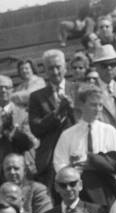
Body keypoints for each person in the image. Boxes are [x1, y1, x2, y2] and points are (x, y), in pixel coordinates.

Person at [28, 49, 79, 183]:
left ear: (65, 68)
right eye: (51, 68)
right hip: (52, 156)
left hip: (78, 151)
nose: (55, 72)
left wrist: (72, 109)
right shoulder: (36, 97)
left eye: (58, 67)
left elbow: (86, 121)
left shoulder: (79, 89)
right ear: (45, 71)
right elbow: (36, 128)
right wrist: (57, 113)